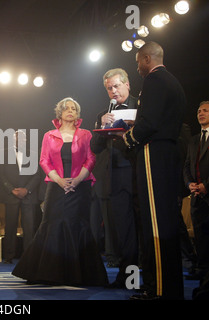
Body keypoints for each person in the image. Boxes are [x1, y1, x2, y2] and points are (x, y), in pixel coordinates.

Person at [12, 97, 108, 286]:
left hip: (80, 187)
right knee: (51, 224)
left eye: (74, 108)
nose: (70, 111)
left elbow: (91, 159)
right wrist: (60, 181)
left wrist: (77, 180)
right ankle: (47, 272)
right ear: (60, 113)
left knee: (77, 225)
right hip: (56, 186)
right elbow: (44, 161)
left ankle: (78, 273)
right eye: (66, 109)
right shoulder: (49, 135)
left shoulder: (86, 134)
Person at [123, 41, 186, 300]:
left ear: (147, 58)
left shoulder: (154, 80)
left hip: (154, 153)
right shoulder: (173, 81)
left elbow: (147, 123)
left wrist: (128, 137)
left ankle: (161, 290)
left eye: (138, 61)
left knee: (156, 224)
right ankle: (164, 287)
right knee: (164, 222)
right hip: (167, 153)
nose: (137, 67)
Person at [90, 68, 139, 288]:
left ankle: (131, 280)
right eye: (109, 88)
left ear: (127, 84)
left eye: (116, 86)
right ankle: (122, 276)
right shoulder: (104, 113)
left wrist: (130, 131)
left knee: (129, 232)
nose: (113, 91)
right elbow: (94, 147)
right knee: (113, 233)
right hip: (107, 181)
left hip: (130, 178)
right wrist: (102, 125)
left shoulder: (140, 108)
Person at [0, 130, 41, 263]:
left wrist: (26, 190)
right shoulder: (3, 153)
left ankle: (28, 256)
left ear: (26, 140)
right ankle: (9, 256)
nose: (19, 140)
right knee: (10, 226)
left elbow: (37, 175)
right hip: (11, 196)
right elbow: (1, 176)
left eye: (22, 138)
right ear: (12, 140)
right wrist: (12, 190)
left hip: (28, 196)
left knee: (29, 227)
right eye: (17, 138)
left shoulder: (33, 154)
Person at [183, 101, 209, 282]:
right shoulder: (193, 140)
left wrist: (207, 185)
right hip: (196, 196)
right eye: (199, 111)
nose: (201, 113)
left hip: (208, 191)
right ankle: (202, 267)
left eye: (206, 111)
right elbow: (186, 166)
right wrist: (190, 184)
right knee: (200, 234)